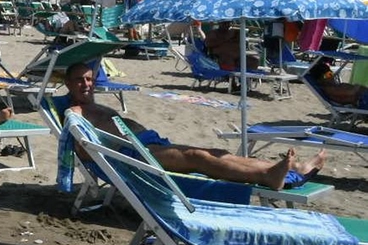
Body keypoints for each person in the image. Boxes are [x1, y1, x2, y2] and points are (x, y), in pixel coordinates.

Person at [63, 61, 324, 190]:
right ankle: (267, 176)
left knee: (215, 152)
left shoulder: (98, 106)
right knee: (197, 157)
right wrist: (117, 150)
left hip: (149, 143)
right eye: (79, 80)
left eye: (89, 79)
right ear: (68, 84)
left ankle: (290, 170)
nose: (86, 84)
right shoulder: (75, 112)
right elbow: (84, 150)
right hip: (136, 155)